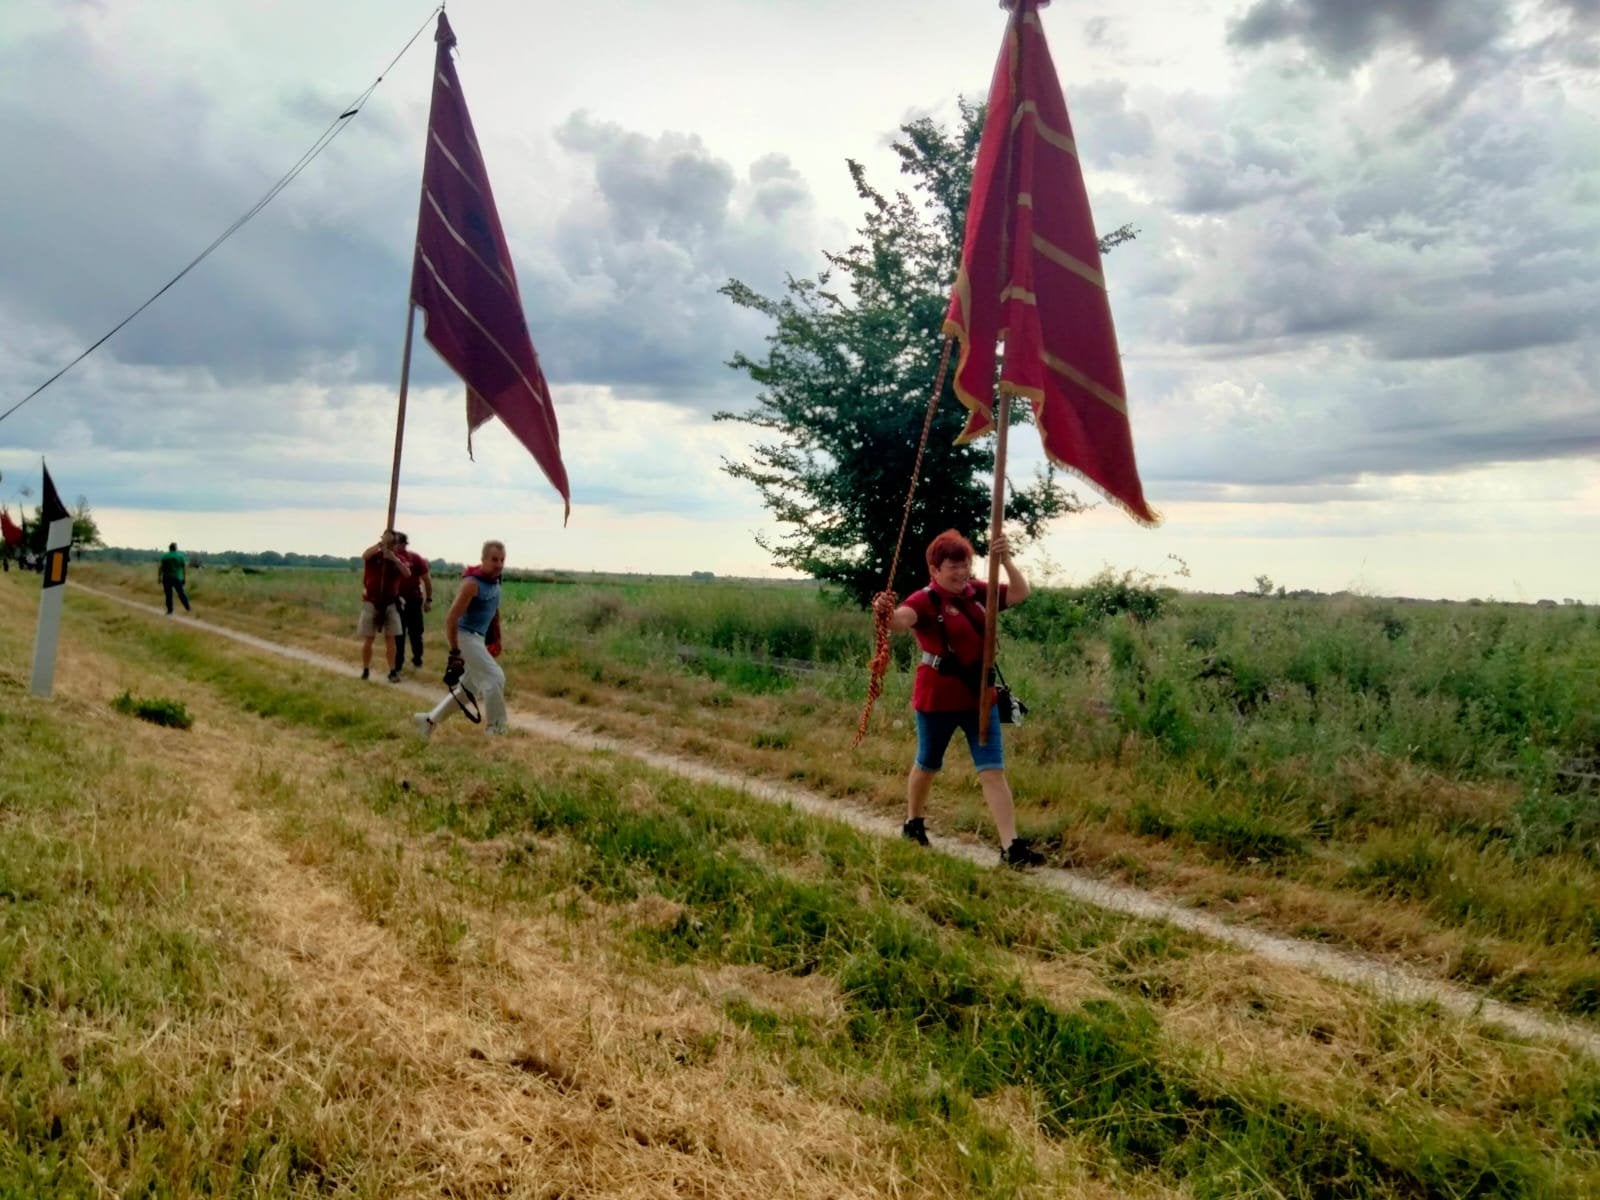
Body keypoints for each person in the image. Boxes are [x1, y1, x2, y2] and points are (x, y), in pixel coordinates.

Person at [873, 528, 1045, 868]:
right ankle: (913, 823)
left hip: (980, 698)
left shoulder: (978, 592)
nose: (962, 571)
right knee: (927, 763)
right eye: (953, 565)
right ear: (935, 570)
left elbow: (1021, 593)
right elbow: (900, 621)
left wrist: (1006, 560)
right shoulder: (924, 599)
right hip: (937, 699)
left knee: (992, 770)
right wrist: (883, 612)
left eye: (965, 564)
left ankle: (1011, 848)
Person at [413, 539, 509, 739]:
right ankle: (496, 728)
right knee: (495, 677)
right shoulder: (472, 584)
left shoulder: (495, 581)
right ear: (483, 559)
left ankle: (429, 720)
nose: (499, 564)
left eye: (502, 560)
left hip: (478, 638)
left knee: (469, 688)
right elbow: (450, 620)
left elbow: (494, 610)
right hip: (464, 636)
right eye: (494, 560)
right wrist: (456, 652)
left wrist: (496, 639)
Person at [357, 530, 411, 681]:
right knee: (369, 638)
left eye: (392, 543)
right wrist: (380, 545)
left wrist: (394, 559)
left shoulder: (398, 559)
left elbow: (407, 573)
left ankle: (392, 671)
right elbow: (364, 555)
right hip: (371, 601)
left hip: (390, 603)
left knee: (391, 639)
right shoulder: (373, 556)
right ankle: (366, 669)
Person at [390, 531, 433, 674]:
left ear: (403, 544)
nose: (396, 546)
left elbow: (426, 579)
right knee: (398, 633)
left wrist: (428, 600)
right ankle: (398, 663)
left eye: (397, 543)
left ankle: (417, 658)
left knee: (416, 632)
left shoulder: (415, 559)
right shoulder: (389, 559)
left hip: (414, 599)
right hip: (396, 600)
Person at [158, 542, 191, 615]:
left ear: (169, 548)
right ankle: (188, 607)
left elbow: (161, 568)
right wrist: (184, 578)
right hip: (177, 577)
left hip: (166, 577)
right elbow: (183, 568)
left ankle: (170, 610)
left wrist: (159, 577)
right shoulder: (180, 556)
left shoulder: (165, 556)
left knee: (168, 594)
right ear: (176, 548)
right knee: (181, 593)